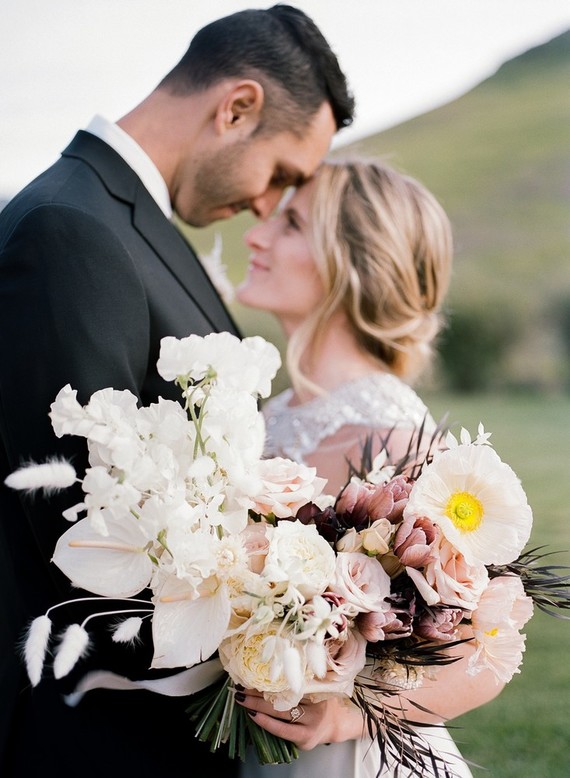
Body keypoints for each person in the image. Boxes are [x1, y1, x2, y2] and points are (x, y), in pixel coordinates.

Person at [0, 6, 354, 777]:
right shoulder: (71, 230)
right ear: (237, 108)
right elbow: (81, 537)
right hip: (93, 736)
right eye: (284, 174)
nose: (269, 205)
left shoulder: (123, 225)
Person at [235, 158, 504, 777]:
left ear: (352, 265)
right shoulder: (262, 417)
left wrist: (354, 715)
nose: (257, 235)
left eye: (293, 224)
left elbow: (488, 648)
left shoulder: (400, 440)